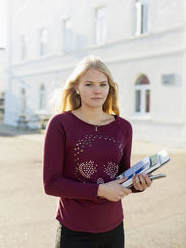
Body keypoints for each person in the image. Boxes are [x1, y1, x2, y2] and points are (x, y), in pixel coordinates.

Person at [43, 55, 152, 248]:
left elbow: (122, 176)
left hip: (113, 228)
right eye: (89, 84)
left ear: (110, 88)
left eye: (103, 84)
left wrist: (137, 185)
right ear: (76, 87)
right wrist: (101, 190)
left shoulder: (123, 127)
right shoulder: (60, 124)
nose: (97, 91)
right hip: (74, 230)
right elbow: (51, 184)